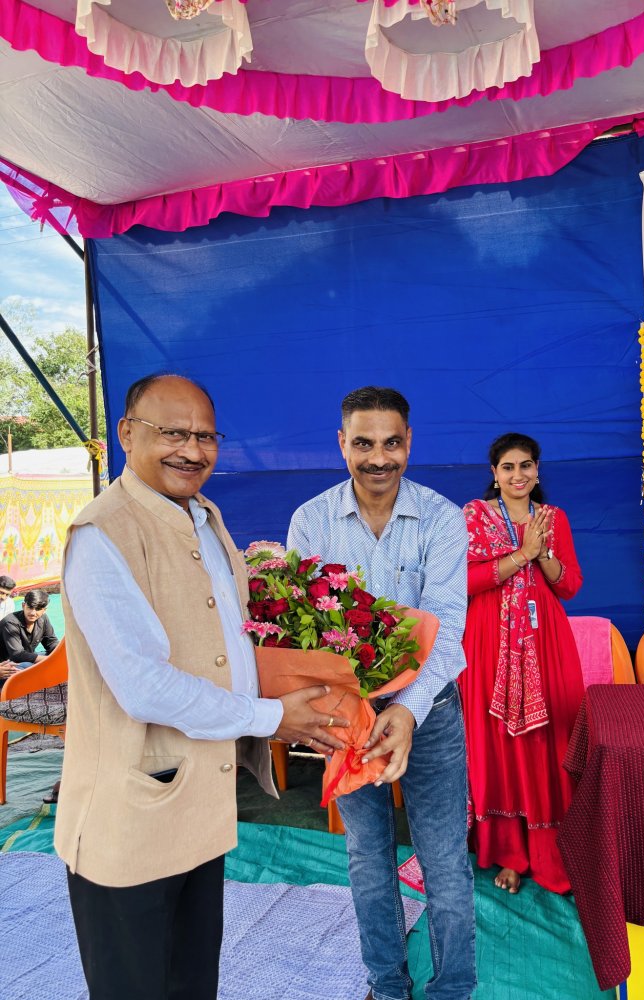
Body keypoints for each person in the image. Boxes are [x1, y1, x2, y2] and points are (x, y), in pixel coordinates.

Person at [54, 373, 350, 1000]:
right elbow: (143, 687)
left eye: (205, 436)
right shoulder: (103, 534)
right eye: (173, 433)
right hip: (131, 817)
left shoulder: (204, 516)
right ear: (127, 434)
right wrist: (272, 718)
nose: (192, 449)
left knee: (191, 982)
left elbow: (227, 638)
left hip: (199, 808)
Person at [287, 386, 476, 1000]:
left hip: (431, 715)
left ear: (409, 443)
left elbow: (448, 632)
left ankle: (452, 990)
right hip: (349, 724)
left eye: (391, 443)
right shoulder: (310, 522)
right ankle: (387, 987)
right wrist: (338, 710)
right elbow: (296, 635)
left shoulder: (444, 519)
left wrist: (406, 711)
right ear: (341, 444)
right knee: (369, 862)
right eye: (362, 443)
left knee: (445, 863)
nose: (378, 458)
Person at [458, 432, 584, 895]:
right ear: (494, 473)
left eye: (526, 466)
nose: (518, 475)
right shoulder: (473, 517)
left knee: (546, 743)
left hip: (545, 641)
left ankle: (547, 853)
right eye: (508, 467)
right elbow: (463, 582)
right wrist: (521, 556)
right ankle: (508, 854)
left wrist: (543, 553)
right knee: (497, 746)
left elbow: (568, 586)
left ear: (537, 470)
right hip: (489, 642)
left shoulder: (553, 518)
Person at [0, 589, 59, 667]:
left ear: (44, 610)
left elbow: (51, 642)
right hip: (6, 664)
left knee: (59, 656)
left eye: (38, 609)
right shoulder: (10, 622)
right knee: (29, 666)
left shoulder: (43, 619)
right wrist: (50, 659)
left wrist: (60, 655)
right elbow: (17, 655)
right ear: (23, 606)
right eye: (30, 608)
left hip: (27, 659)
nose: (33, 613)